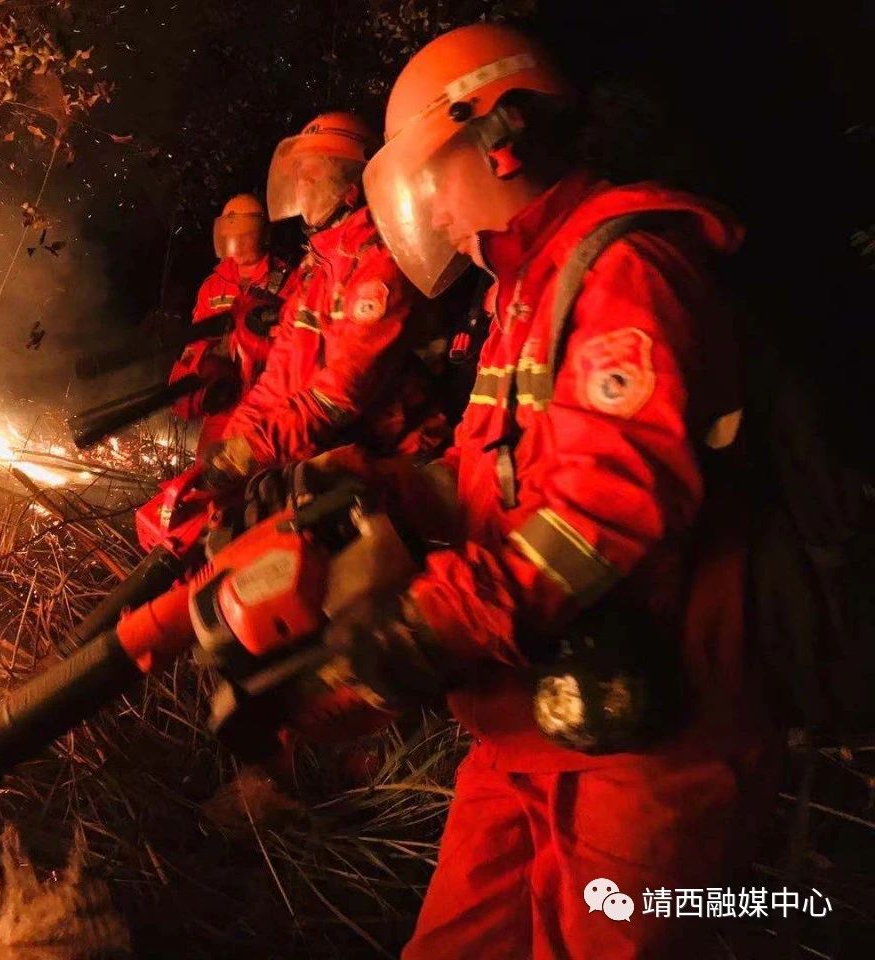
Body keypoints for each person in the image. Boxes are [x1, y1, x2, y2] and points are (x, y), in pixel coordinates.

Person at [310, 23, 776, 958]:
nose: (432, 212)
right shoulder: (530, 285)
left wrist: (432, 620)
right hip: (530, 727)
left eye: (432, 177)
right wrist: (387, 490)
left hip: (647, 754)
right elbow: (510, 477)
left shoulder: (629, 269)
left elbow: (609, 511)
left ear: (501, 136)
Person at [201, 112, 448, 488]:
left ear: (352, 185)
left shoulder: (378, 264)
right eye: (298, 175)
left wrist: (254, 450)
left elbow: (341, 395)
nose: (302, 186)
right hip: (335, 451)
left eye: (313, 174)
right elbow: (280, 373)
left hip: (404, 461)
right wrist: (234, 439)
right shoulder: (315, 268)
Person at [169, 194, 291, 451]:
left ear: (261, 234)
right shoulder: (214, 285)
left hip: (268, 411)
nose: (238, 240)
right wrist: (207, 365)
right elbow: (195, 344)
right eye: (232, 231)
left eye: (246, 233)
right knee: (208, 478)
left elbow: (296, 348)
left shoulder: (288, 282)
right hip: (224, 405)